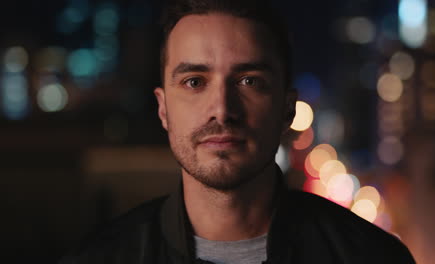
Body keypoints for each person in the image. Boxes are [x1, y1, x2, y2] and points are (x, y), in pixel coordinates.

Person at [60, 0, 415, 263]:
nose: (222, 109)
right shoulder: (99, 258)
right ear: (163, 108)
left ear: (287, 108)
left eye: (249, 81)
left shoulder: (372, 257)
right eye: (194, 81)